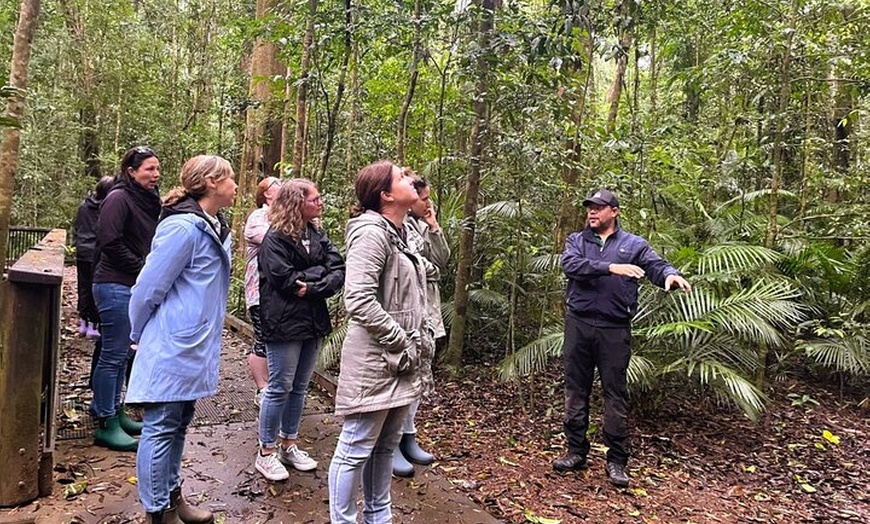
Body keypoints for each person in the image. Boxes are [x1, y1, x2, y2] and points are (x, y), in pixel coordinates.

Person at [552, 189, 691, 488]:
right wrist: (610, 268)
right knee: (576, 390)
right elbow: (571, 265)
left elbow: (655, 265)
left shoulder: (633, 245)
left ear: (614, 211)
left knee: (615, 394)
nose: (592, 212)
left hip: (614, 330)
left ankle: (617, 460)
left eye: (599, 208)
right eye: (590, 207)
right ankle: (576, 452)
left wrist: (669, 275)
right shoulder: (577, 241)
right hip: (578, 324)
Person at [127, 154, 236, 524]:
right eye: (230, 179)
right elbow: (148, 287)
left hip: (194, 344)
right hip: (171, 341)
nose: (236, 186)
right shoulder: (184, 228)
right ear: (210, 182)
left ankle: (173, 498)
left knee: (180, 420)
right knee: (160, 425)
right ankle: (157, 512)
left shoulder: (215, 225)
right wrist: (138, 331)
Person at [328, 160, 434, 523]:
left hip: (401, 361)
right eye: (402, 177)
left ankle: (379, 517)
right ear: (386, 195)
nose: (411, 179)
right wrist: (399, 339)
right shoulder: (371, 232)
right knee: (356, 446)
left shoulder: (401, 231)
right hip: (377, 359)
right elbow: (357, 298)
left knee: (385, 446)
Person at [254, 178, 345, 481]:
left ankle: (288, 444)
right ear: (298, 203)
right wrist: (314, 279)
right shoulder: (276, 238)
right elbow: (284, 279)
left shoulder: (316, 233)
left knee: (300, 387)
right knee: (279, 387)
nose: (320, 203)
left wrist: (314, 284)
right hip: (284, 322)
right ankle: (266, 451)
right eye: (314, 199)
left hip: (313, 319)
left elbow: (336, 269)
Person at [90, 146, 162, 451]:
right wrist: (143, 268)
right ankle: (105, 422)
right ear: (131, 172)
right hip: (114, 284)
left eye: (157, 168)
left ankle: (117, 413)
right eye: (148, 169)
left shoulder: (148, 200)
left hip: (132, 287)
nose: (155, 174)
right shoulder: (118, 198)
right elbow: (109, 241)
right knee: (112, 354)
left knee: (122, 354)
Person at [392, 172, 450, 477]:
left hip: (427, 309)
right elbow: (420, 267)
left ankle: (409, 437)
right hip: (405, 312)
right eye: (423, 197)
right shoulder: (393, 226)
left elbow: (441, 261)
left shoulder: (420, 224)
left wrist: (434, 226)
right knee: (402, 378)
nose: (427, 202)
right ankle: (391, 444)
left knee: (417, 381)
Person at [244, 176, 282, 406]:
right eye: (277, 184)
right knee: (262, 338)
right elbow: (271, 239)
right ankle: (263, 389)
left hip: (282, 293)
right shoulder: (258, 217)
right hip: (259, 290)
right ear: (266, 193)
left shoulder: (287, 217)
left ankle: (276, 388)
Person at [74, 175, 114, 341]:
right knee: (95, 287)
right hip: (96, 252)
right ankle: (93, 325)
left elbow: (76, 226)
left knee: (83, 287)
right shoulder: (107, 207)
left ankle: (83, 322)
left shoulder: (84, 206)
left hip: (82, 251)